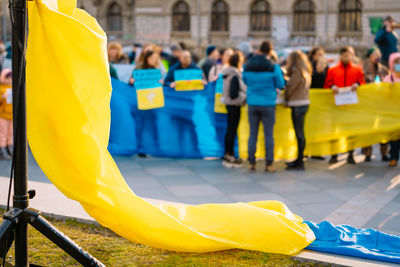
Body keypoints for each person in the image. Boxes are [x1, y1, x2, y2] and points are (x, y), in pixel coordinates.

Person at [243, 41, 285, 172]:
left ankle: (251, 162)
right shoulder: (274, 67)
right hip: (268, 103)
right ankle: (269, 163)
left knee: (252, 134)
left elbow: (245, 80)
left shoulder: (247, 66)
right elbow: (280, 84)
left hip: (252, 103)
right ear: (269, 52)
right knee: (268, 134)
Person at [324, 46, 366, 164]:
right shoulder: (332, 70)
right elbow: (326, 85)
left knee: (351, 132)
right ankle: (334, 154)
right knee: (334, 131)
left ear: (352, 56)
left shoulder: (358, 70)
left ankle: (351, 154)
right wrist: (332, 87)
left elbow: (363, 83)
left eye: (349, 55)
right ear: (341, 56)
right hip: (336, 106)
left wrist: (357, 85)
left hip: (351, 107)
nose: (347, 57)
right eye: (345, 55)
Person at [284, 51, 312, 171]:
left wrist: (286, 95)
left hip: (297, 104)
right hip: (304, 103)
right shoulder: (306, 71)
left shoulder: (297, 72)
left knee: (299, 133)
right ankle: (300, 159)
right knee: (301, 133)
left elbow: (291, 88)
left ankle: (300, 161)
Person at [361, 47, 390, 162]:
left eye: (378, 54)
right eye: (374, 54)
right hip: (368, 104)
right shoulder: (364, 69)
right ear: (369, 56)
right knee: (368, 129)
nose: (377, 56)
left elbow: (388, 82)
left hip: (381, 104)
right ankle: (367, 152)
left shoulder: (383, 69)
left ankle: (384, 153)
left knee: (383, 130)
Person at [221, 52, 247, 167]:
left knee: (229, 128)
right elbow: (234, 93)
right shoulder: (235, 74)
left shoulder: (227, 72)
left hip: (228, 103)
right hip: (235, 104)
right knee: (232, 129)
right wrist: (243, 97)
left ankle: (227, 153)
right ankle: (230, 155)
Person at [383, 52, 400, 167]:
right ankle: (394, 157)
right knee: (394, 137)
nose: (398, 65)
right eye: (396, 62)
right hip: (392, 112)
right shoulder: (388, 78)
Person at [0, 69, 13, 160]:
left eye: (11, 78)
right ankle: (3, 150)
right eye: (7, 77)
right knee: (2, 133)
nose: (9, 80)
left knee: (10, 133)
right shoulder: (1, 89)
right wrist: (2, 97)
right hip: (3, 116)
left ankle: (10, 148)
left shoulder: (13, 88)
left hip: (11, 115)